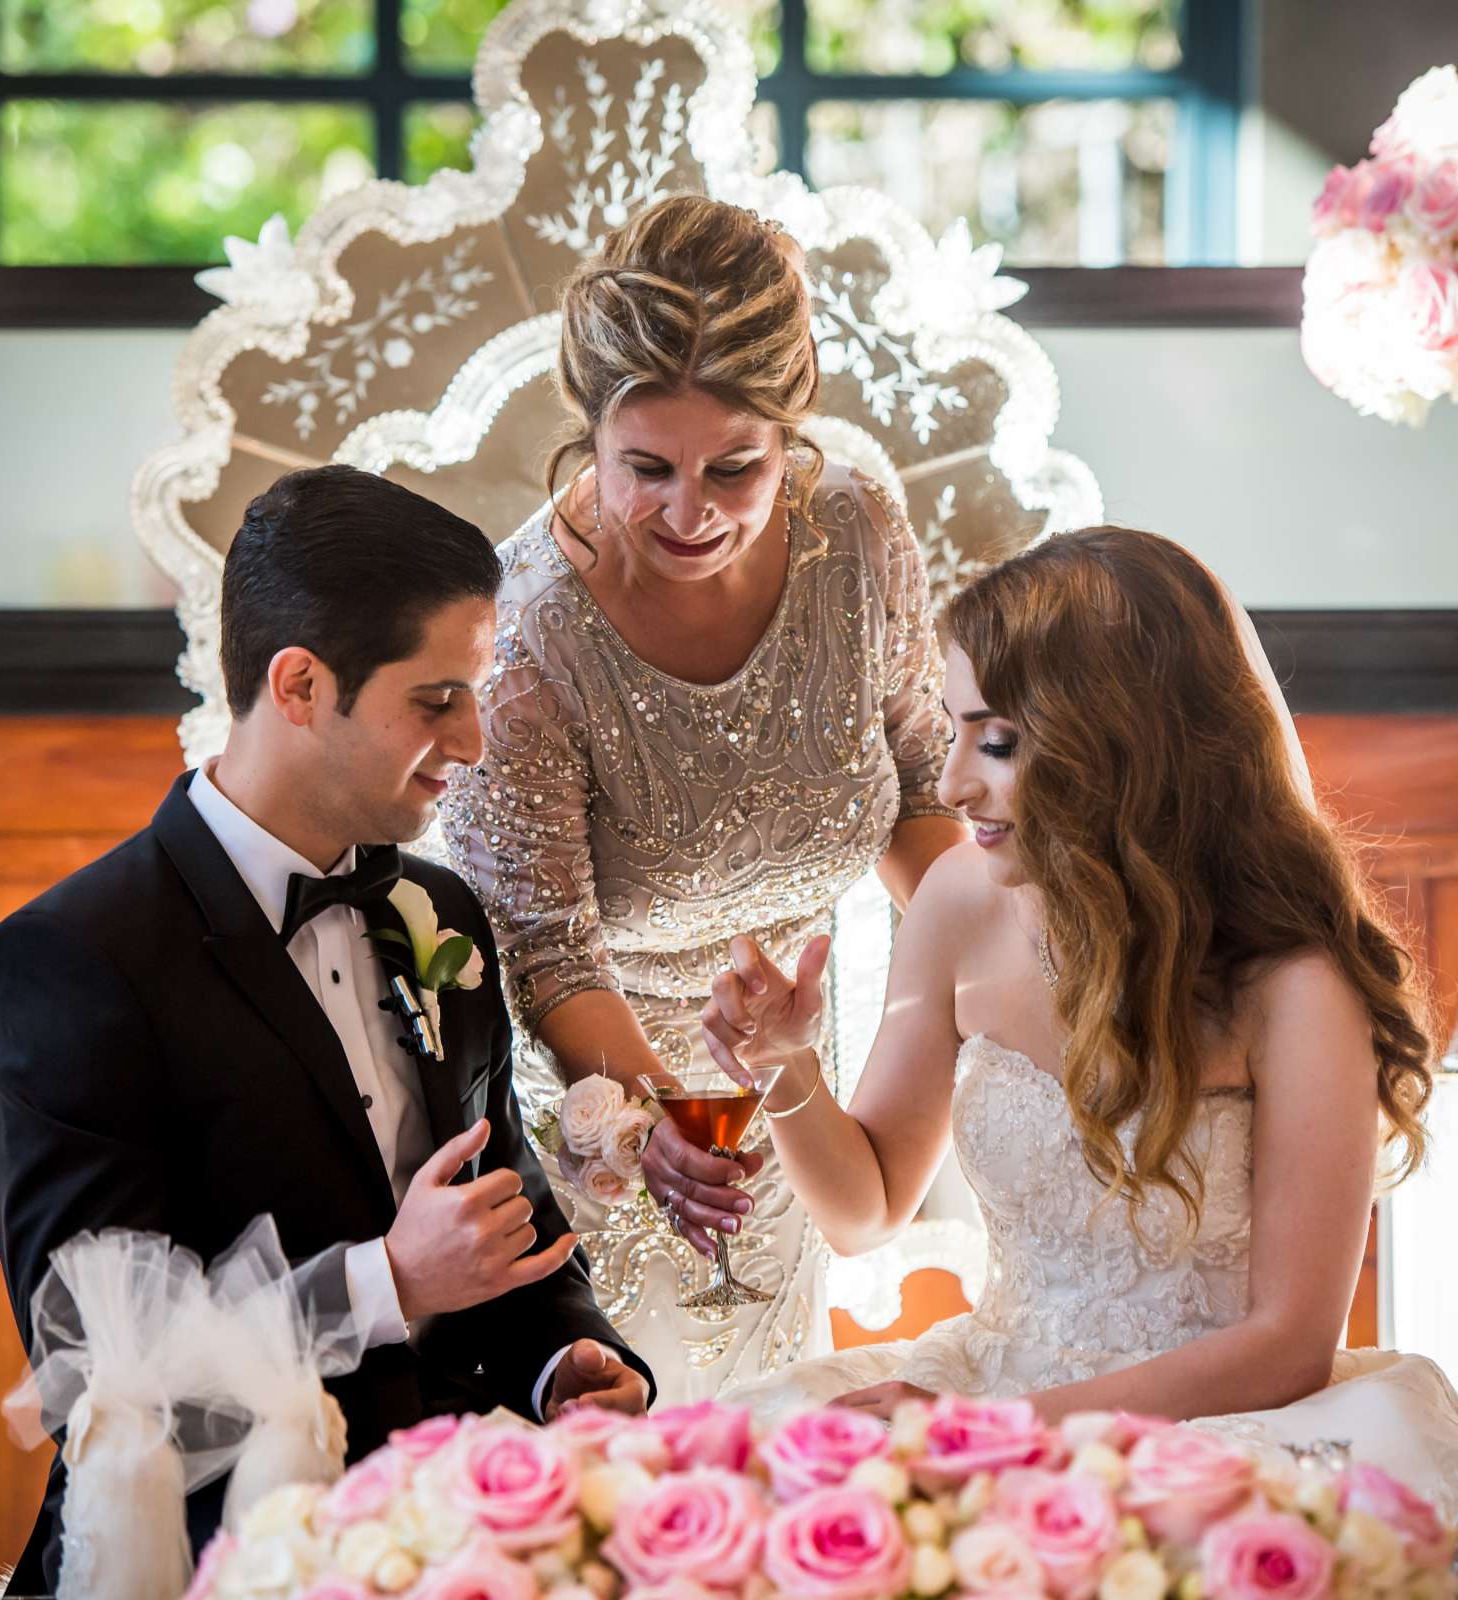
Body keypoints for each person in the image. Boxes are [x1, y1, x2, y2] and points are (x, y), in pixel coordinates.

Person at [702, 526, 1458, 1596]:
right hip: (984, 1370)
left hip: (1224, 1429)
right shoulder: (956, 903)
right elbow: (865, 1207)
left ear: (1118, 742)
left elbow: (1289, 1346)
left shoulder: (1295, 981)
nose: (951, 783)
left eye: (996, 741)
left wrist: (987, 1435)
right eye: (954, 729)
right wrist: (784, 1064)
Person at [0, 465, 649, 1594]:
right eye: (436, 699)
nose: (475, 740)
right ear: (298, 684)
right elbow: (104, 1387)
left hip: (466, 1532)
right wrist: (387, 1280)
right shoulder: (73, 961)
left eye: (478, 692)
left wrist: (568, 1360)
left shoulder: (442, 910)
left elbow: (500, 1208)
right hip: (216, 1553)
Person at [440, 195, 965, 1402]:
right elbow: (543, 947)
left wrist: (997, 968)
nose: (693, 512)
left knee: (769, 1468)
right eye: (647, 470)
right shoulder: (526, 632)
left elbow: (924, 786)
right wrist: (661, 1122)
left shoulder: (857, 537)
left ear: (792, 434)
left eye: (738, 466)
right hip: (607, 1127)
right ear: (592, 436)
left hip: (790, 1092)